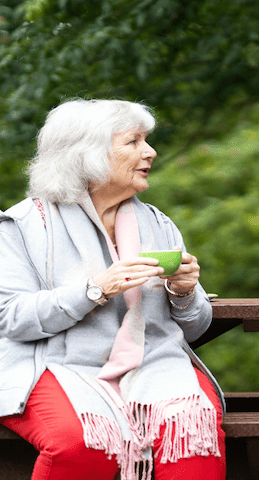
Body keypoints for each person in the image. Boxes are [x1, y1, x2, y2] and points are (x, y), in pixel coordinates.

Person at [0, 99, 225, 480]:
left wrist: (185, 292)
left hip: (157, 364)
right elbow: (14, 320)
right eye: (133, 142)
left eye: (146, 141)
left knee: (193, 441)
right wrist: (94, 290)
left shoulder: (158, 223)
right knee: (82, 444)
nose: (150, 152)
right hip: (52, 364)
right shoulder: (20, 227)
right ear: (88, 155)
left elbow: (196, 327)